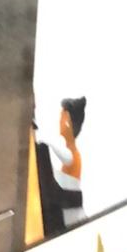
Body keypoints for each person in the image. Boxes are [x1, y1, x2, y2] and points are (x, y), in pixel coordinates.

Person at [34, 97, 87, 232]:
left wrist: (46, 142)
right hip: (65, 208)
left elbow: (67, 157)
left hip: (70, 213)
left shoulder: (73, 154)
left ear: (69, 124)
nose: (60, 122)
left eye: (63, 118)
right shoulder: (70, 151)